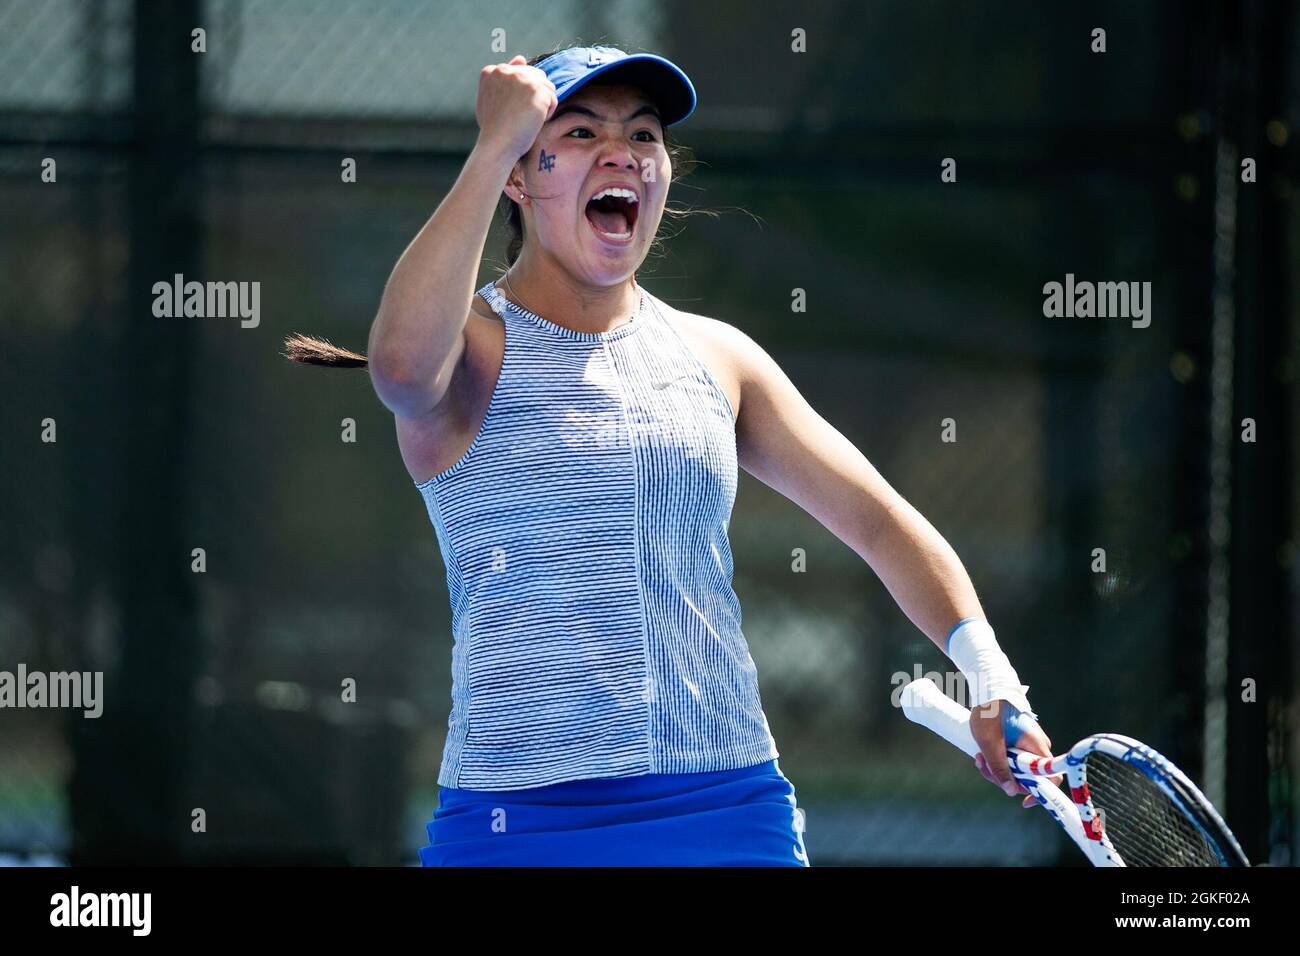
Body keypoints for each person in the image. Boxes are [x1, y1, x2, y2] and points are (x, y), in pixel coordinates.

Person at [284, 44, 1058, 866]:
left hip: (727, 809)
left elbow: (879, 521)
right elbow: (400, 370)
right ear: (522, 172)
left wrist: (995, 683)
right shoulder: (468, 350)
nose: (622, 152)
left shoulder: (718, 357)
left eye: (643, 135)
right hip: (515, 822)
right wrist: (489, 146)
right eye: (579, 132)